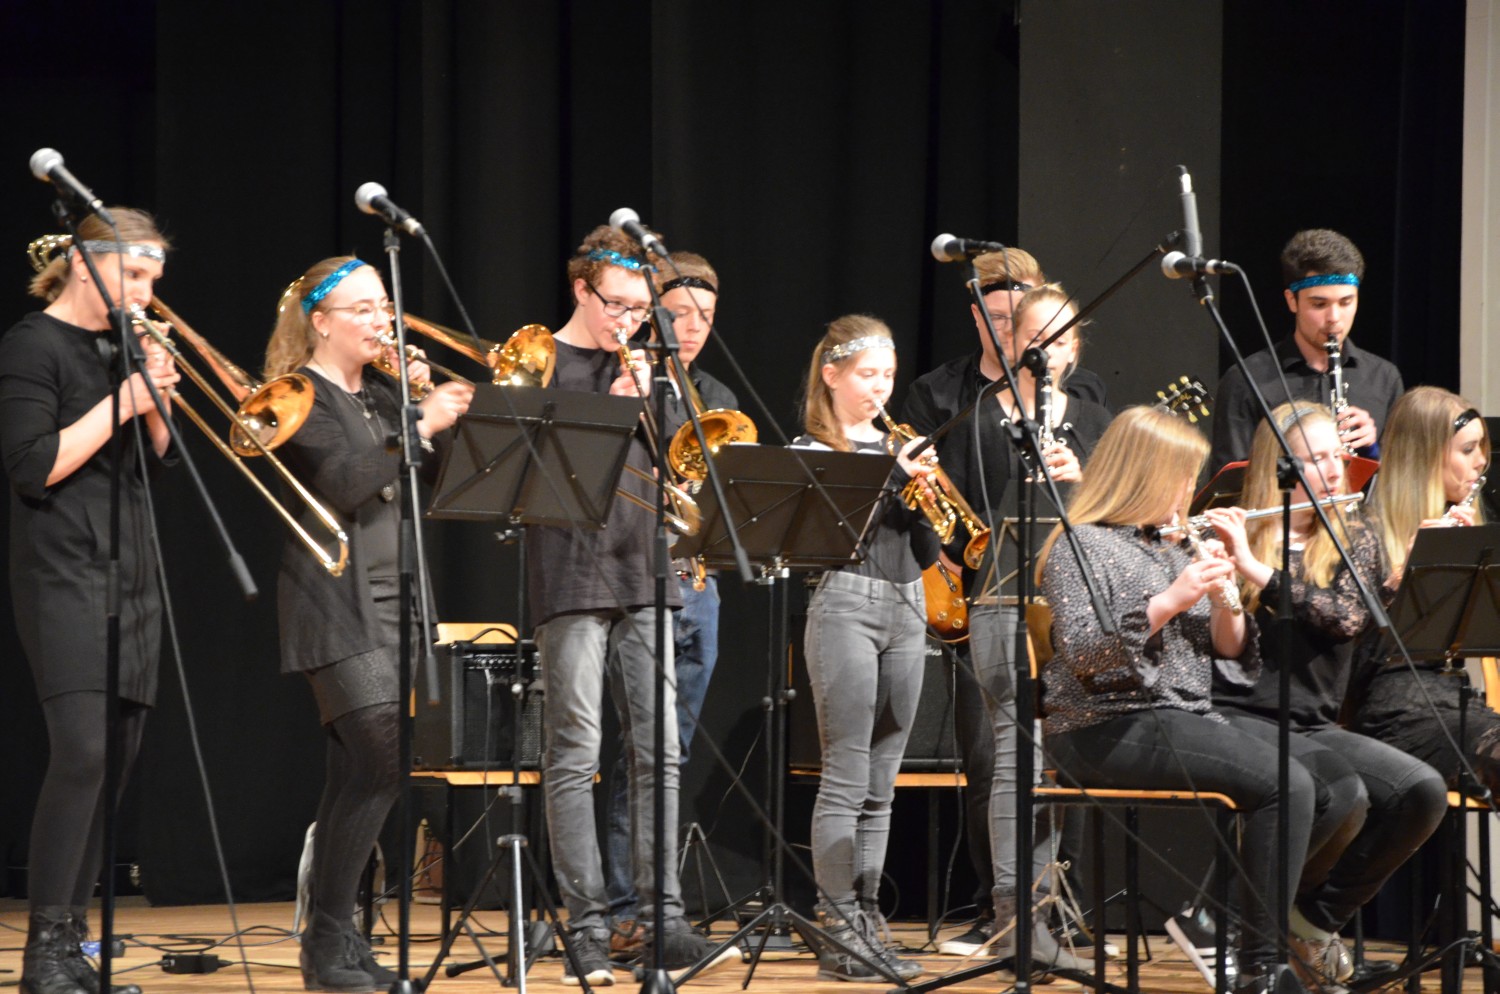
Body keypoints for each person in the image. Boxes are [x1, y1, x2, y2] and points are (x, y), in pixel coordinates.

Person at [1038, 405, 1315, 994]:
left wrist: (1222, 599)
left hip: (1183, 713)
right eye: (1184, 477)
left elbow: (1230, 653)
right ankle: (1261, 966)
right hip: (1099, 724)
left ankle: (1232, 930)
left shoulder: (1173, 546)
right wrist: (1170, 600)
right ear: (1145, 475)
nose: (1191, 491)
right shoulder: (1079, 545)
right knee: (1285, 784)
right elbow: (1085, 653)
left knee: (1327, 780)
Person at [527, 228, 734, 986]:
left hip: (647, 568)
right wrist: (605, 412)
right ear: (582, 290)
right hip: (570, 573)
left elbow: (685, 466)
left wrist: (654, 401)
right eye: (617, 305)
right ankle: (586, 926)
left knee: (660, 752)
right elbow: (531, 475)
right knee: (576, 752)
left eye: (642, 310)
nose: (631, 322)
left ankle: (662, 919)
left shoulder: (654, 364)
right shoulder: (537, 359)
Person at [266, 256, 473, 993]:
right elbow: (346, 482)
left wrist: (423, 409)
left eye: (382, 305)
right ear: (320, 322)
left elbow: (447, 483)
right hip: (335, 601)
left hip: (400, 602)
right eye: (361, 309)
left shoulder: (385, 396)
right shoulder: (298, 397)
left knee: (357, 774)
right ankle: (328, 940)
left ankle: (335, 941)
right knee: (381, 761)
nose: (379, 320)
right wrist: (419, 420)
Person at [903, 265, 1108, 965]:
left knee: (1061, 758)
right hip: (1001, 593)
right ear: (1013, 341)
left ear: (1074, 347)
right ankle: (1012, 913)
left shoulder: (1092, 418)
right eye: (1033, 338)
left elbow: (1122, 510)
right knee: (1009, 754)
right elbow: (958, 511)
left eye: (1060, 339)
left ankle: (1047, 912)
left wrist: (1085, 478)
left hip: (1077, 596)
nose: (1047, 350)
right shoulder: (980, 414)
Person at [1204, 402, 1445, 987]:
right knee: (1337, 791)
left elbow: (1344, 618)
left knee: (1421, 792)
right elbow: (1223, 646)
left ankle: (1310, 921)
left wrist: (1257, 571)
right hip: (1237, 714)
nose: (1335, 471)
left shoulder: (1353, 535)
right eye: (1315, 460)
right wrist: (1227, 569)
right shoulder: (1239, 528)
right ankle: (1223, 922)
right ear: (1279, 467)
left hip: (1310, 721)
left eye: (1337, 456)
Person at [1, 213, 177, 994]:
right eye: (133, 275)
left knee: (119, 761)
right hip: (62, 572)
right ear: (83, 263)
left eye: (152, 280)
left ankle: (73, 948)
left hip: (132, 574)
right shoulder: (32, 344)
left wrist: (157, 394)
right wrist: (124, 402)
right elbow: (33, 465)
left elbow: (161, 457)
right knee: (83, 753)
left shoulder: (123, 349)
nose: (144, 294)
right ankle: (43, 954)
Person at [792, 314, 937, 982]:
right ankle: (838, 925)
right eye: (867, 375)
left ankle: (869, 917)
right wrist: (889, 479)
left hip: (908, 605)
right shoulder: (813, 449)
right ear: (832, 375)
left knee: (883, 782)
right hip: (846, 603)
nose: (881, 387)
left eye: (888, 374)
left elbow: (927, 551)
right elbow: (827, 540)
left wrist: (927, 498)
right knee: (846, 776)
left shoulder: (900, 445)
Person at [603, 252, 738, 955]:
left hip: (698, 585)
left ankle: (657, 907)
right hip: (636, 582)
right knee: (643, 753)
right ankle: (627, 910)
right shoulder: (622, 378)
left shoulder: (714, 393)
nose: (692, 328)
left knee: (673, 754)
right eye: (680, 314)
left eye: (705, 317)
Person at [1351, 386, 1496, 793]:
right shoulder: (1363, 536)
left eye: (1481, 448)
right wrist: (1397, 580)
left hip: (1455, 703)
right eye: (1467, 449)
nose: (1481, 461)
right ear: (1426, 457)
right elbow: (1346, 663)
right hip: (1394, 714)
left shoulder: (1457, 532)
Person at [1209, 229, 1404, 475]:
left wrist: (1373, 453)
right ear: (1292, 301)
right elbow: (1232, 484)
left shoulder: (1384, 378)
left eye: (1346, 302)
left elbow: (1402, 480)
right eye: (1319, 304)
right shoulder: (1245, 381)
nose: (1334, 318)